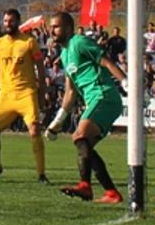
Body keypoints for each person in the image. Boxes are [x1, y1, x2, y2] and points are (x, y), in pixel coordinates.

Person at [45, 11, 127, 204]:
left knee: (80, 135)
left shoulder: (80, 42)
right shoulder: (64, 54)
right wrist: (56, 122)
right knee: (83, 144)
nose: (51, 31)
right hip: (96, 100)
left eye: (56, 27)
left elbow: (106, 61)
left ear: (67, 28)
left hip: (104, 95)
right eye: (51, 27)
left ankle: (85, 186)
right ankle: (111, 193)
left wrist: (126, 83)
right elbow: (70, 92)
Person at [0, 9, 49, 183]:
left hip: (26, 94)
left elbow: (40, 68)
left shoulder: (29, 42)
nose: (8, 24)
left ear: (18, 22)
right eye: (6, 21)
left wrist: (42, 93)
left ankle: (41, 174)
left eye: (11, 21)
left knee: (35, 130)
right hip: (5, 95)